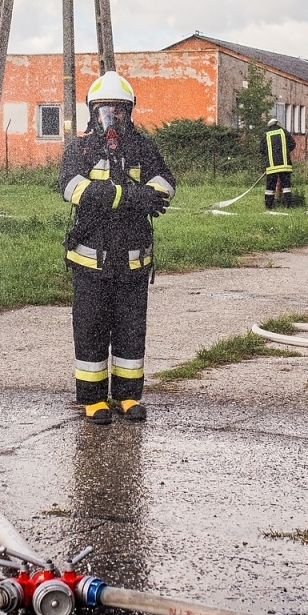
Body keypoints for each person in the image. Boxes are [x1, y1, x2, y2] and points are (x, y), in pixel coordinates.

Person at [59, 72, 176, 425]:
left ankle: (128, 396)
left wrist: (150, 193)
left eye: (119, 110)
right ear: (92, 112)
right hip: (91, 261)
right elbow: (71, 188)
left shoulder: (143, 147)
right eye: (104, 110)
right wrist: (129, 196)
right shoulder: (79, 149)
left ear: (130, 112)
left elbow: (166, 184)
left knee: (130, 330)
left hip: (133, 261)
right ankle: (93, 400)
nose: (112, 117)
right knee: (91, 329)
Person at [263, 119, 296, 209]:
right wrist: (284, 152)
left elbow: (261, 150)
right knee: (286, 187)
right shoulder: (284, 132)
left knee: (270, 187)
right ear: (277, 124)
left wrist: (270, 156)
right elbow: (293, 144)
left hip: (272, 166)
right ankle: (288, 206)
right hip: (285, 165)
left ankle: (269, 206)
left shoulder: (266, 134)